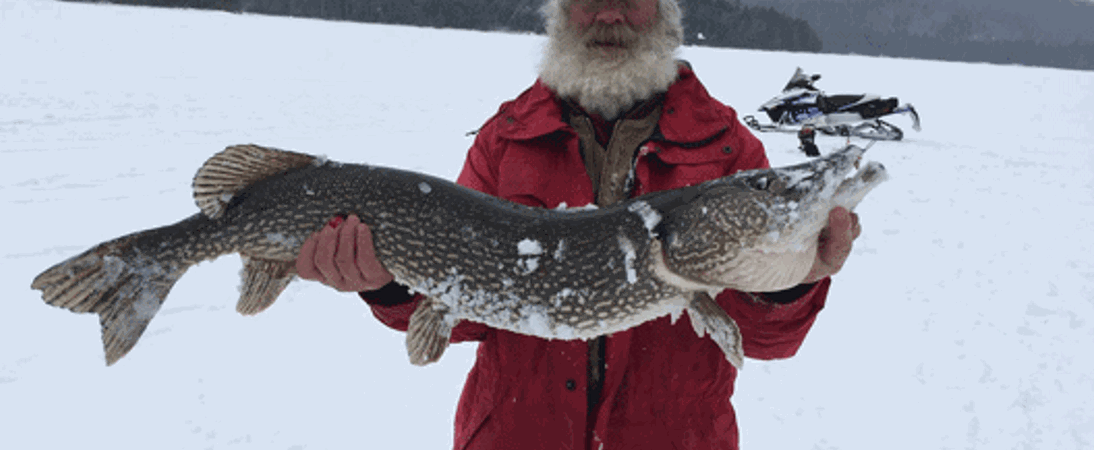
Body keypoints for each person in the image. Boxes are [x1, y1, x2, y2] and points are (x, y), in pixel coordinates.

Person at [295, 0, 863, 448]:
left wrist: (792, 280)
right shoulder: (506, 138)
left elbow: (765, 339)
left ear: (665, 11)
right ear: (560, 14)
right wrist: (387, 284)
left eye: (629, 0)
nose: (608, 15)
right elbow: (461, 312)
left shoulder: (728, 149)